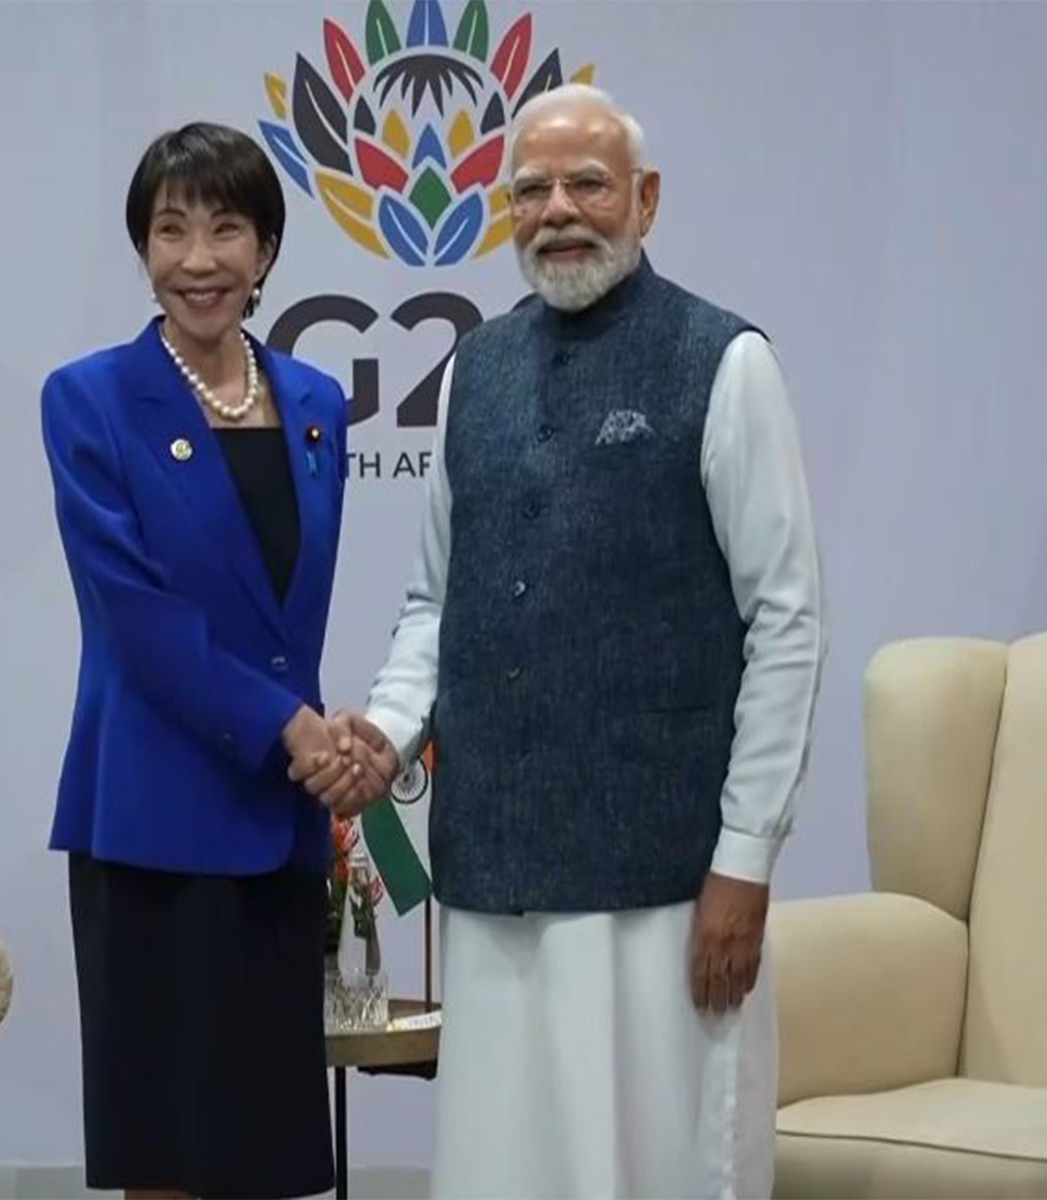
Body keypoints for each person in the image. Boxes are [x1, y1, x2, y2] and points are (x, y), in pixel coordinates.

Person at [301, 84, 825, 1197]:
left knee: (655, 1165)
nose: (558, 211)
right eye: (530, 189)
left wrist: (744, 859)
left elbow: (786, 623)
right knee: (509, 1166)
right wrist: (388, 734)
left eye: (587, 183)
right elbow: (438, 597)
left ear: (645, 199)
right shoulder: (474, 373)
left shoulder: (724, 362)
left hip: (667, 882)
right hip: (496, 873)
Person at [42, 122, 356, 1200]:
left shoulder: (317, 405)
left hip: (274, 824)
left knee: (265, 1160)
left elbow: (282, 616)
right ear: (143, 250)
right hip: (155, 825)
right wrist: (289, 727)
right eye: (170, 230)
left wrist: (321, 748)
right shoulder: (88, 399)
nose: (198, 259)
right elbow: (136, 615)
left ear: (266, 251)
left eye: (226, 229)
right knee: (169, 1160)